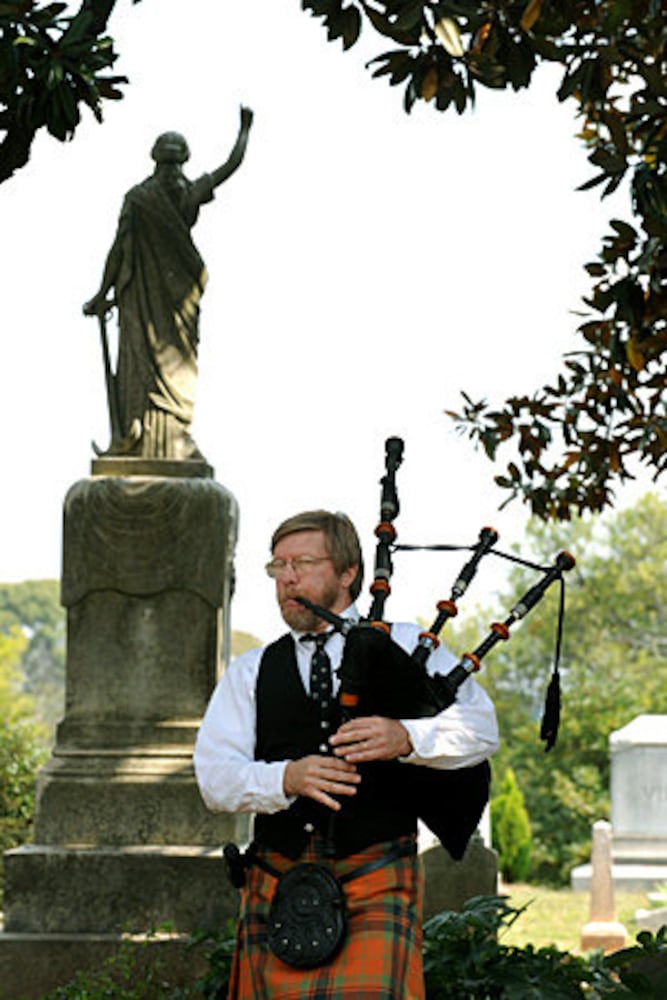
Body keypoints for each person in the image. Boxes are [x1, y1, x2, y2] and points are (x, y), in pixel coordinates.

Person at [194, 509, 499, 999]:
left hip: (376, 871)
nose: (287, 578)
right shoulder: (251, 671)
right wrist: (286, 778)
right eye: (278, 567)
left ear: (348, 573)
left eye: (304, 563)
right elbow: (214, 779)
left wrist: (407, 737)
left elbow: (482, 729)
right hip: (279, 876)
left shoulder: (400, 643)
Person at [83, 106, 253, 461]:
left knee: (178, 365)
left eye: (177, 166)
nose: (173, 173)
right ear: (157, 164)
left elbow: (229, 167)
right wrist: (102, 293)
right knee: (139, 364)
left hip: (179, 298)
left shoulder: (179, 194)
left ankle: (173, 440)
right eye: (168, 165)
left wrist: (244, 133)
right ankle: (134, 440)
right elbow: (119, 249)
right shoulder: (141, 199)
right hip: (140, 299)